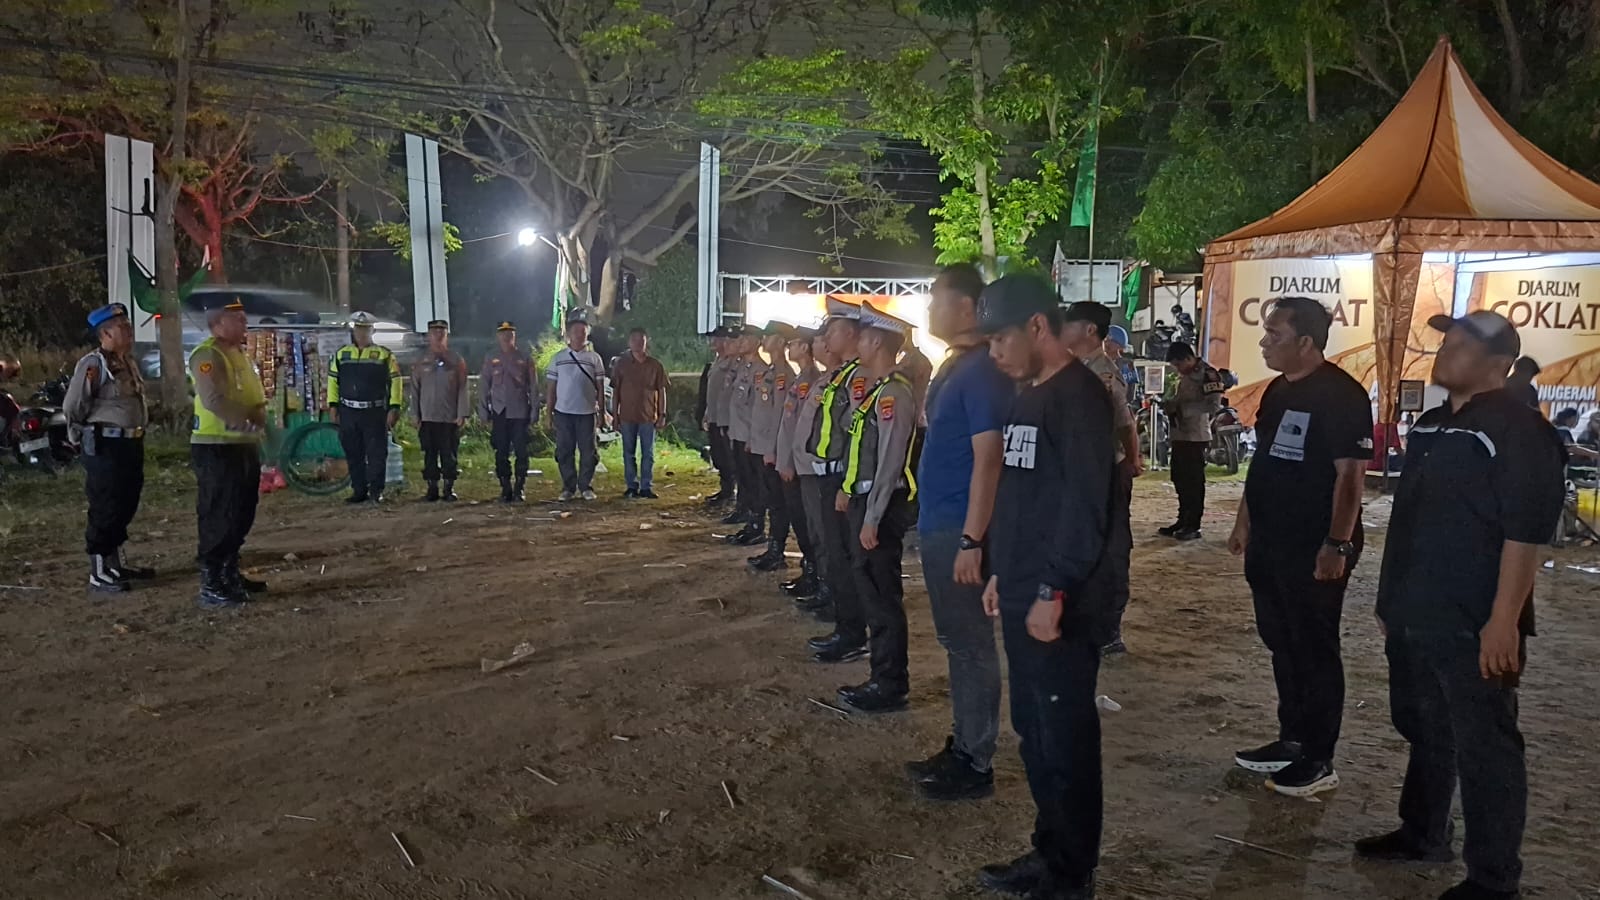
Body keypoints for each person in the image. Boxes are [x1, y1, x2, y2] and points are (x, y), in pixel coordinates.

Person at [1356, 311, 1564, 900]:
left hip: (1473, 618)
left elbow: (1525, 533)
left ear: (1500, 363)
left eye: (1462, 345)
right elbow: (1408, 519)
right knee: (1424, 726)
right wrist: (1390, 599)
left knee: (1486, 746)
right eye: (1445, 343)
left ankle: (1494, 878)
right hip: (1416, 609)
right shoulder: (1431, 426)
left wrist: (1503, 621)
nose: (1445, 353)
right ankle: (1423, 831)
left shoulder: (1519, 430)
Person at [976, 273, 1116, 900]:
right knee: (1034, 731)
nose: (994, 353)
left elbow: (1084, 508)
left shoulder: (1080, 399)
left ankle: (1071, 872)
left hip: (1059, 602)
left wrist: (1052, 590)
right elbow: (1023, 496)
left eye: (1000, 339)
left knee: (1065, 738)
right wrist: (1001, 570)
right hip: (1021, 588)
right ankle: (1048, 849)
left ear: (1037, 326)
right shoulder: (1029, 396)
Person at [1224, 297, 1373, 798]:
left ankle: (1318, 756)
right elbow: (1264, 462)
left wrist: (1337, 543)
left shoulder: (1342, 395)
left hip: (1314, 544)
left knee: (1313, 646)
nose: (1264, 342)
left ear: (1306, 341)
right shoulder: (1276, 390)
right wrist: (1244, 522)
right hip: (1272, 540)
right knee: (1281, 641)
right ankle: (1291, 738)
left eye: (1275, 334)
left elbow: (1350, 478)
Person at [905, 264, 1013, 802]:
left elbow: (989, 458)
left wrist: (972, 540)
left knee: (970, 645)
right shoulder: (959, 366)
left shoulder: (982, 372)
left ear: (966, 308)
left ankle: (976, 761)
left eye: (936, 298)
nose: (929, 308)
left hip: (958, 527)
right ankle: (965, 744)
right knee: (957, 642)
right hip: (941, 522)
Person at [835, 301, 921, 714]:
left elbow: (890, 463)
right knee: (871, 590)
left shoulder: (894, 395)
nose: (858, 344)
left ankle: (889, 683)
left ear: (877, 343)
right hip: (866, 501)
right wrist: (848, 490)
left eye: (864, 338)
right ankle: (880, 675)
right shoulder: (878, 392)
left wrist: (871, 517)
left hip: (880, 508)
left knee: (882, 596)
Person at [1062, 302, 1142, 657]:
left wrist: (1132, 461)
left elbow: (1125, 424)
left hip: (1105, 473)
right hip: (1078, 474)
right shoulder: (1072, 369)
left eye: (1070, 324)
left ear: (1089, 330)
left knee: (1110, 550)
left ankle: (1109, 628)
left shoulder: (1103, 373)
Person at [63, 302, 152, 593]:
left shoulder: (126, 361)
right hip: (106, 445)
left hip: (129, 443)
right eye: (122, 327)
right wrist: (78, 435)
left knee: (126, 502)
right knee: (106, 505)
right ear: (105, 334)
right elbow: (74, 405)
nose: (129, 330)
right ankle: (99, 571)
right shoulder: (94, 364)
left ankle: (115, 564)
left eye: (128, 325)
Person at [189, 296, 269, 609]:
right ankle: (212, 581)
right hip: (216, 446)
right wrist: (246, 420)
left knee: (241, 512)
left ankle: (229, 571)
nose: (245, 323)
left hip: (243, 445)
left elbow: (251, 393)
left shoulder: (238, 354)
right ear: (217, 323)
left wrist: (260, 418)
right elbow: (213, 399)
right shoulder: (208, 355)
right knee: (218, 514)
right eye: (238, 318)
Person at [805, 297, 870, 662]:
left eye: (833, 331)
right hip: (829, 475)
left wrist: (846, 484)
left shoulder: (858, 377)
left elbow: (856, 436)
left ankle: (852, 634)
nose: (827, 337)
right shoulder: (842, 374)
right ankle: (846, 628)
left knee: (845, 559)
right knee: (836, 554)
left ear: (850, 334)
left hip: (842, 478)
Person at [774, 325, 827, 602]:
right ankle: (811, 572)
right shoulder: (803, 380)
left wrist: (790, 462)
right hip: (794, 462)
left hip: (802, 465)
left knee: (811, 526)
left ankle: (818, 578)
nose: (789, 348)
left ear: (804, 348)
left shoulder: (812, 380)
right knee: (802, 521)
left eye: (793, 344)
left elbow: (805, 429)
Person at [328, 311, 402, 504]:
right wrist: (333, 406)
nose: (361, 333)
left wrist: (394, 407)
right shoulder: (341, 354)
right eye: (358, 329)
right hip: (348, 411)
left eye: (365, 329)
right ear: (354, 331)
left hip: (374, 412)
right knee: (353, 453)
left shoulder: (384, 355)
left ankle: (376, 491)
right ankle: (359, 491)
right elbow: (333, 381)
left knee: (376, 453)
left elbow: (395, 381)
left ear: (372, 331)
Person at [748, 321, 799, 570]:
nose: (764, 341)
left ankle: (777, 551)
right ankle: (772, 548)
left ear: (780, 342)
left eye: (768, 337)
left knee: (778, 503)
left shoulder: (783, 375)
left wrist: (773, 449)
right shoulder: (771, 371)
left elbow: (781, 416)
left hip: (773, 450)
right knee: (770, 499)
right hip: (764, 446)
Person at [1161, 341, 1224, 540]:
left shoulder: (1208, 374)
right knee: (1179, 478)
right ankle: (1183, 519)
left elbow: (1214, 405)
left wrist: (1184, 409)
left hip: (1196, 436)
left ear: (1189, 358)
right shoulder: (1187, 376)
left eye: (1179, 364)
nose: (1178, 369)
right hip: (1180, 434)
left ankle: (1193, 525)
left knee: (1193, 482)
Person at [546, 317, 607, 502]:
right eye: (576, 332)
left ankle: (585, 486)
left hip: (587, 413)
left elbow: (600, 388)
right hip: (563, 413)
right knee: (564, 451)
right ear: (568, 334)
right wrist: (549, 414)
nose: (580, 336)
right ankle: (568, 487)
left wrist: (602, 412)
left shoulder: (594, 358)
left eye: (583, 332)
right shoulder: (558, 358)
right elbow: (551, 388)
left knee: (588, 452)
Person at [412, 320, 471, 502]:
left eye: (442, 333)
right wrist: (415, 414)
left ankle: (448, 488)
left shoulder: (456, 360)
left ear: (447, 336)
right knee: (430, 454)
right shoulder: (421, 361)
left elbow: (463, 387)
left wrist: (462, 413)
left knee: (449, 454)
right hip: (428, 416)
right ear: (428, 336)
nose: (438, 336)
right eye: (434, 332)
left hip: (449, 417)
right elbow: (415, 389)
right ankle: (432, 488)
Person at [480, 320, 538, 503]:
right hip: (500, 411)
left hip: (520, 411)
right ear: (498, 336)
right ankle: (505, 488)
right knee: (501, 451)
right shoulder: (491, 357)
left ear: (514, 336)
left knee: (521, 451)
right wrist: (483, 411)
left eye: (510, 334)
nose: (507, 337)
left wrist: (534, 410)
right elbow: (484, 385)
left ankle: (519, 487)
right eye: (503, 334)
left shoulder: (525, 357)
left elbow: (533, 386)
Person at [612, 326, 669, 499]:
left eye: (641, 340)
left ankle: (646, 486)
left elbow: (661, 391)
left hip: (648, 416)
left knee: (648, 453)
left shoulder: (655, 365)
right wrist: (615, 416)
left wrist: (662, 414)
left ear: (646, 342)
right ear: (629, 342)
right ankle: (631, 485)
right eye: (634, 340)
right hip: (627, 415)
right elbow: (616, 392)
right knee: (628, 453)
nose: (637, 344)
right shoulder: (621, 365)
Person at [725, 324, 768, 545]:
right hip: (739, 432)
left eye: (744, 339)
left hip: (751, 437)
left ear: (756, 342)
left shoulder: (761, 371)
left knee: (754, 482)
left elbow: (758, 408)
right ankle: (748, 519)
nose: (740, 342)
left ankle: (757, 525)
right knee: (743, 478)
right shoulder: (743, 367)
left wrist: (752, 436)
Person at [699, 327, 738, 504]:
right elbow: (713, 391)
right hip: (715, 415)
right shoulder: (716, 362)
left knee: (728, 456)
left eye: (717, 338)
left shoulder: (732, 363)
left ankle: (731, 490)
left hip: (726, 417)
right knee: (718, 454)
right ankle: (725, 488)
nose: (712, 342)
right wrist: (707, 412)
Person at [1105, 325, 1140, 408]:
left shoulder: (1127, 364)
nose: (1106, 343)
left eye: (1111, 341)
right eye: (1105, 340)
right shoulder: (1097, 362)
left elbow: (1131, 392)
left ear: (1120, 346)